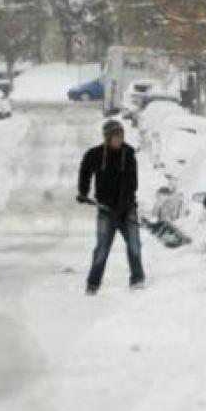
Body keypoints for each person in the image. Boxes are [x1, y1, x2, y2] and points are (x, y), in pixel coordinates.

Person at [76, 120, 145, 295]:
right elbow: (85, 170)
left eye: (121, 136)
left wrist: (124, 204)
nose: (118, 140)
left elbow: (132, 182)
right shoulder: (96, 154)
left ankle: (137, 279)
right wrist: (83, 192)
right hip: (106, 210)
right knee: (102, 248)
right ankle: (93, 283)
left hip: (127, 209)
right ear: (107, 138)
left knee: (134, 245)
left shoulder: (128, 154)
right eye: (115, 137)